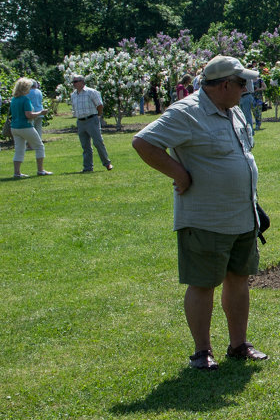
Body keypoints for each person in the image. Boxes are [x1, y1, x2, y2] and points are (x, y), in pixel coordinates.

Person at [132, 55, 269, 371]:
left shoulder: (232, 111)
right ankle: (201, 351)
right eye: (241, 83)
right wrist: (180, 174)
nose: (246, 89)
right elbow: (144, 143)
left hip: (242, 214)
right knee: (203, 283)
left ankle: (238, 345)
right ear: (224, 84)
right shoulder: (186, 112)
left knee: (239, 278)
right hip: (206, 217)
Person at [68, 74, 113, 172]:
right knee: (85, 146)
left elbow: (99, 105)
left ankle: (107, 163)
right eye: (73, 82)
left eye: (75, 82)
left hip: (91, 119)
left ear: (82, 82)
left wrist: (98, 116)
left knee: (98, 142)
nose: (74, 84)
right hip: (80, 122)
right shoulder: (73, 95)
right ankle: (88, 168)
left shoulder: (91, 92)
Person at [9, 78, 51, 178]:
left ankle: (17, 173)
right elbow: (29, 115)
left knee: (19, 149)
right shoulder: (25, 100)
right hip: (25, 126)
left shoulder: (14, 100)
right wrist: (41, 112)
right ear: (25, 88)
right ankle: (40, 170)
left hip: (15, 127)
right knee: (39, 146)